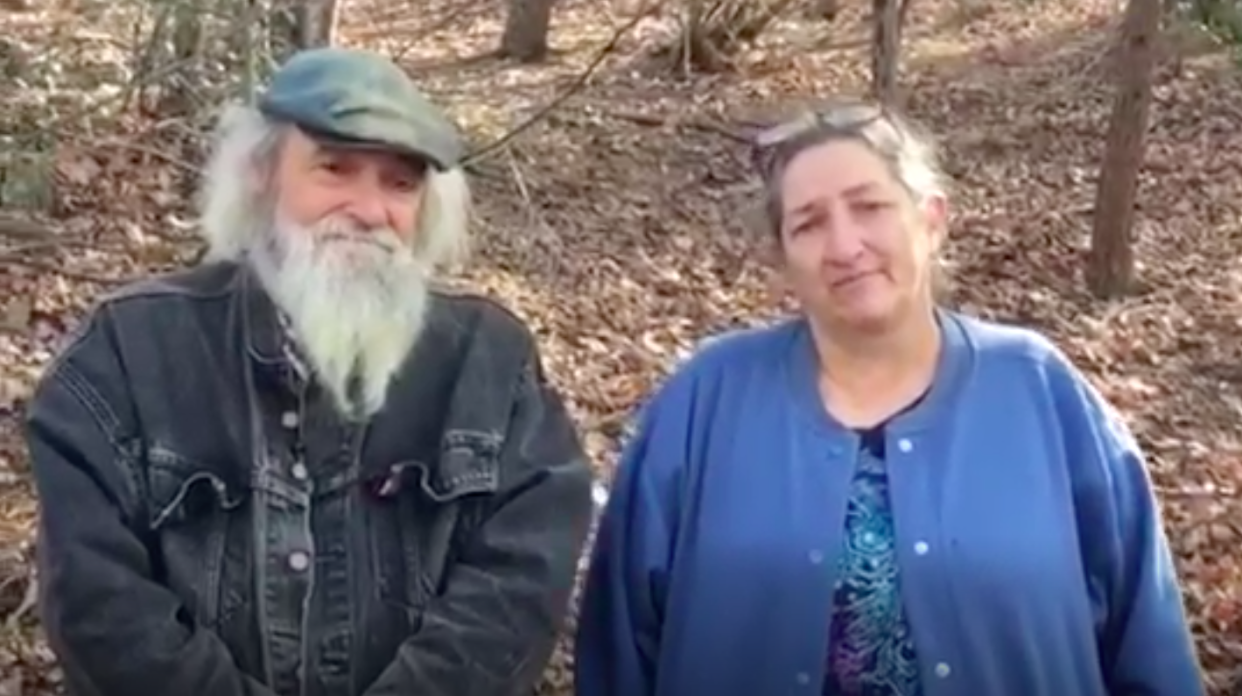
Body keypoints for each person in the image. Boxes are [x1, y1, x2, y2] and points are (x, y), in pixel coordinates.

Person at [573, 101, 1205, 696]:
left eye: (869, 207)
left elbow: (1145, 636)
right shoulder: (705, 401)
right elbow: (620, 644)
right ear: (784, 255)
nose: (845, 246)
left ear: (931, 221)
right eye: (809, 223)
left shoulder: (1040, 390)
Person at [25, 47, 596, 696]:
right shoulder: (129, 351)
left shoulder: (489, 362)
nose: (369, 208)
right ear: (263, 176)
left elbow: (519, 587)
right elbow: (98, 603)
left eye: (400, 183)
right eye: (335, 168)